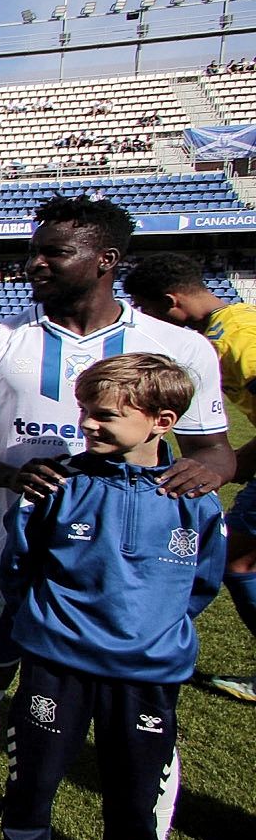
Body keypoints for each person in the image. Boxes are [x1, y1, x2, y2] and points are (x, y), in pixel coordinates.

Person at [0, 198, 230, 840]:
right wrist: (8, 475)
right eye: (37, 250)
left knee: (144, 713)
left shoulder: (176, 347)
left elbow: (214, 449)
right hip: (7, 554)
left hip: (133, 571)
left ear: (104, 260)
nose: (36, 263)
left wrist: (204, 476)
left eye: (54, 252)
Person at [0, 353, 225, 840]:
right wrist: (55, 626)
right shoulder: (56, 485)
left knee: (135, 794)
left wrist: (148, 631)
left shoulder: (194, 500)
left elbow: (201, 583)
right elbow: (20, 564)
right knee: (34, 779)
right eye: (84, 409)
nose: (85, 423)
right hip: (58, 663)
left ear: (161, 420)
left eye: (105, 414)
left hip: (147, 673)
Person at [122, 252, 256, 702]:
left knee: (237, 562)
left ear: (170, 302)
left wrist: (231, 461)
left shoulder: (238, 335)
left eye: (145, 308)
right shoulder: (226, 329)